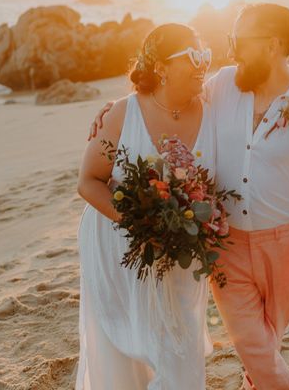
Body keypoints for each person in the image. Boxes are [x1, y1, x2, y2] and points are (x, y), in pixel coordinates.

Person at [90, 3, 289, 390]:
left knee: (265, 350)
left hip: (285, 245)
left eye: (238, 41)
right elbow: (166, 96)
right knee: (256, 350)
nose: (230, 51)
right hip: (224, 244)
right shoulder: (222, 85)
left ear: (272, 45)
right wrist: (119, 108)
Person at [76, 23, 215, 389]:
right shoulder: (123, 114)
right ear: (162, 67)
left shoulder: (213, 107)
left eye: (206, 55)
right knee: (120, 349)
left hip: (181, 248)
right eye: (193, 56)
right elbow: (88, 182)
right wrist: (142, 226)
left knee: (180, 350)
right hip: (116, 244)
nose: (202, 65)